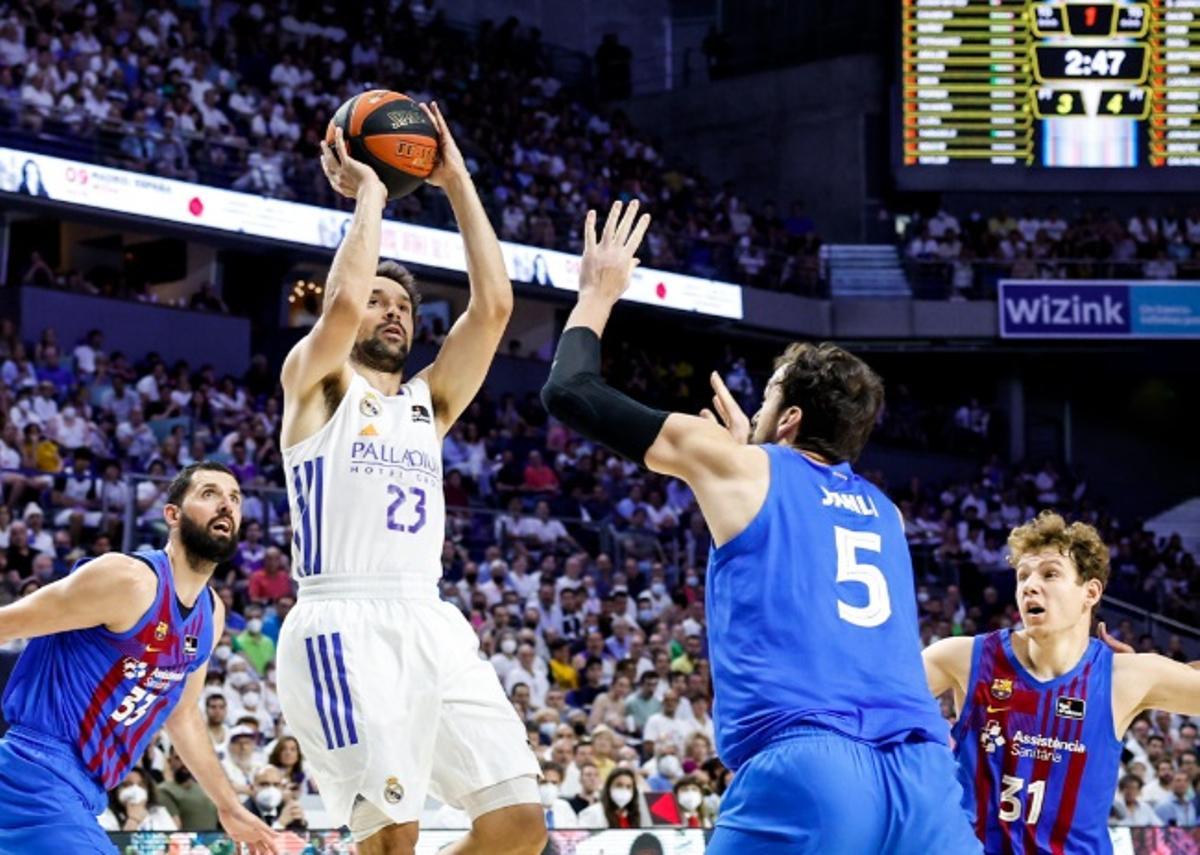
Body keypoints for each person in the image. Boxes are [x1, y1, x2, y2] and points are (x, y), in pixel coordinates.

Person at [541, 200, 980, 854]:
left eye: (769, 392)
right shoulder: (886, 514)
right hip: (923, 782)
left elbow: (570, 391)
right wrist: (747, 455)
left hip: (813, 771)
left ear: (790, 416)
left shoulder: (743, 467)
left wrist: (598, 293)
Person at [275, 110, 544, 855]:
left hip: (430, 620)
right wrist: (370, 195)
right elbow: (337, 305)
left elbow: (493, 309)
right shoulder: (317, 383)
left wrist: (457, 181)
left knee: (519, 824)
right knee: (394, 841)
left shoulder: (429, 404)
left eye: (403, 306)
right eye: (379, 302)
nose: (392, 312)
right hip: (341, 621)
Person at [0, 461, 276, 854]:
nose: (226, 506)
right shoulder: (129, 580)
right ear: (173, 515)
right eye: (209, 494)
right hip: (34, 773)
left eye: (234, 498)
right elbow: (5, 624)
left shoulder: (210, 615)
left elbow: (182, 714)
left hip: (84, 792)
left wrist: (229, 806)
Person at [923, 512, 1200, 853]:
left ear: (1091, 591)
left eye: (1050, 573)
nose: (1030, 586)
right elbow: (871, 696)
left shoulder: (1126, 677)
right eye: (1022, 576)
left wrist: (1157, 666)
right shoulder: (962, 657)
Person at [577, 767, 647, 829]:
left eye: (628, 787)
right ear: (609, 788)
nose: (624, 790)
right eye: (619, 785)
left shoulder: (637, 816)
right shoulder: (592, 813)